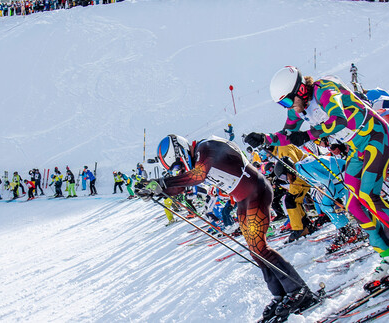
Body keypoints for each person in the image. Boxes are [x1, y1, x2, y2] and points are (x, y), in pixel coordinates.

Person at [244, 66, 389, 288]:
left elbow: (339, 119)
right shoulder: (298, 108)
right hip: (358, 146)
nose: (288, 108)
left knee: (367, 193)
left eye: (287, 102)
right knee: (353, 202)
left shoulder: (324, 90)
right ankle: (387, 252)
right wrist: (264, 138)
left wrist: (307, 134)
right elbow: (288, 133)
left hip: (376, 135)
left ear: (300, 90)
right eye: (283, 105)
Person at [135, 135, 317, 319]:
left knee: (260, 248)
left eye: (178, 166)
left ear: (179, 150)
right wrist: (156, 189)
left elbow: (198, 175)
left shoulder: (207, 147)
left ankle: (299, 290)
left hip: (257, 192)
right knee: (256, 251)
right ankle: (280, 294)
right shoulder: (200, 155)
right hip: (244, 200)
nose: (181, 170)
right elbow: (184, 185)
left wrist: (164, 183)